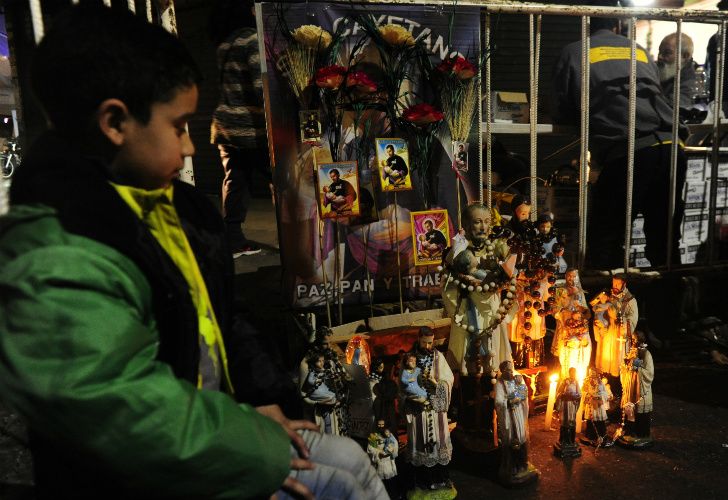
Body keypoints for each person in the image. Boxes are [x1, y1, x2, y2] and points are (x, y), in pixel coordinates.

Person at [0, 6, 387, 499]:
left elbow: (225, 316)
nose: (189, 148)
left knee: (351, 460)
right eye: (179, 126)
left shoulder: (179, 208)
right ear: (115, 121)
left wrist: (259, 396)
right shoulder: (58, 251)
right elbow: (123, 411)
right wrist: (253, 451)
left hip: (219, 426)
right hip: (156, 469)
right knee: (339, 483)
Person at [552, 4, 688, 269]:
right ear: (617, 26)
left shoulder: (574, 51)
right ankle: (669, 305)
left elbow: (560, 110)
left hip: (632, 153)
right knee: (664, 240)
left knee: (605, 240)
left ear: (587, 24)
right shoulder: (638, 50)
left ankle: (609, 306)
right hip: (672, 148)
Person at [210, 0, 268, 257]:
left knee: (236, 180)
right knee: (282, 180)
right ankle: (297, 237)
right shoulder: (252, 40)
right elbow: (260, 88)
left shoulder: (224, 44)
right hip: (250, 128)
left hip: (225, 124)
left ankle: (233, 239)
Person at [442, 204, 515, 376]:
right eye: (477, 222)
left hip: (492, 313)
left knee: (494, 363)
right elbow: (447, 286)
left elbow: (511, 277)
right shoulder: (457, 252)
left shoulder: (497, 248)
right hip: (466, 312)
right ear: (467, 225)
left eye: (487, 222)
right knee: (467, 367)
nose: (483, 227)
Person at [402, 327, 454, 493]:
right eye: (424, 342)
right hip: (419, 410)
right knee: (421, 443)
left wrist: (437, 384)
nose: (427, 346)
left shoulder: (438, 357)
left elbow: (449, 379)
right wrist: (410, 396)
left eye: (430, 343)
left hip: (435, 407)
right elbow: (402, 384)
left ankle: (441, 478)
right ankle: (423, 482)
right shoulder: (409, 358)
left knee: (439, 443)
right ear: (418, 339)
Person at [494, 361, 538, 485]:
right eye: (508, 370)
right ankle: (512, 467)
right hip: (508, 415)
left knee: (521, 437)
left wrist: (518, 393)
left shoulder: (517, 379)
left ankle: (522, 464)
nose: (510, 372)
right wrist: (508, 402)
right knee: (511, 439)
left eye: (511, 369)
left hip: (518, 413)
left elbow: (524, 393)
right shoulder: (500, 384)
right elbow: (498, 401)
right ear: (503, 371)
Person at [618, 333, 655, 448]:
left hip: (640, 386)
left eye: (635, 339)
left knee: (639, 410)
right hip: (631, 385)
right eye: (632, 339)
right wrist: (625, 366)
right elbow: (627, 366)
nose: (633, 341)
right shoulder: (632, 351)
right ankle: (629, 431)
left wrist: (636, 367)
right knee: (630, 409)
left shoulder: (646, 354)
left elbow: (649, 372)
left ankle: (641, 434)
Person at [657, 32, 697, 109]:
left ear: (685, 56)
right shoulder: (660, 71)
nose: (660, 57)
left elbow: (676, 107)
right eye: (659, 51)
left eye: (667, 53)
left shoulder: (691, 80)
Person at [554, 367, 582, 458]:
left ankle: (571, 440)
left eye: (574, 372)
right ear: (569, 373)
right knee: (565, 421)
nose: (573, 374)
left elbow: (579, 394)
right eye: (571, 372)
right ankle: (563, 440)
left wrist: (575, 396)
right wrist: (563, 395)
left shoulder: (576, 382)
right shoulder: (564, 381)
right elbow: (559, 392)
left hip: (572, 404)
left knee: (572, 421)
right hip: (565, 404)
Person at [582, 368, 614, 448]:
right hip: (591, 404)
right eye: (590, 372)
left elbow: (604, 393)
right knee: (591, 420)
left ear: (596, 373)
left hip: (598, 404)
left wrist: (599, 396)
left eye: (593, 372)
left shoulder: (600, 383)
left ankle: (601, 436)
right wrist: (587, 395)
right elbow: (583, 391)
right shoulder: (586, 382)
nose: (591, 374)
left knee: (600, 421)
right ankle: (591, 436)